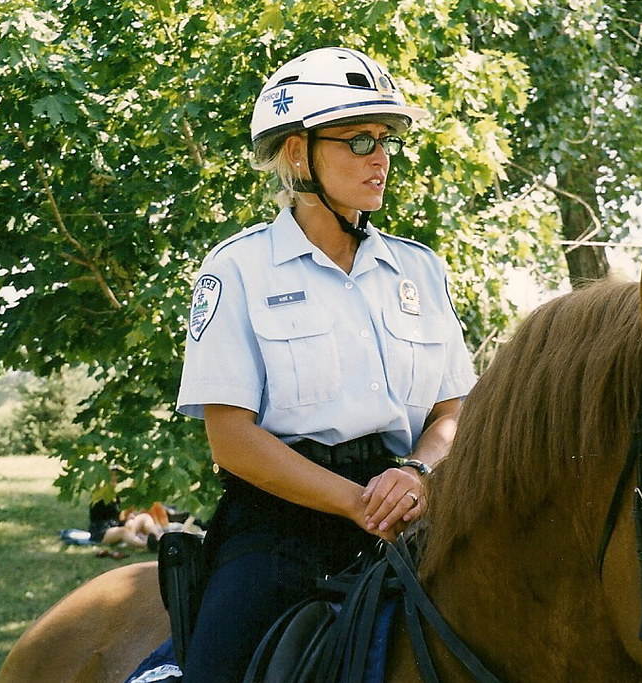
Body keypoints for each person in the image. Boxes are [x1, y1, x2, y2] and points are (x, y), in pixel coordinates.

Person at [154, 46, 477, 682]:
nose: (381, 157)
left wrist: (417, 472)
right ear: (299, 154)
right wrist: (358, 503)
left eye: (386, 140)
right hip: (281, 528)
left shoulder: (420, 269)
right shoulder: (237, 270)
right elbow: (233, 441)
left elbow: (452, 410)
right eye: (359, 140)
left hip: (411, 512)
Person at [88, 499, 167, 550]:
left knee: (144, 517)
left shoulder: (115, 496)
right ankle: (146, 545)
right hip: (102, 531)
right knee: (123, 531)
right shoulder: (98, 496)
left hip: (119, 525)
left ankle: (157, 540)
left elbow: (119, 516)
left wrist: (129, 518)